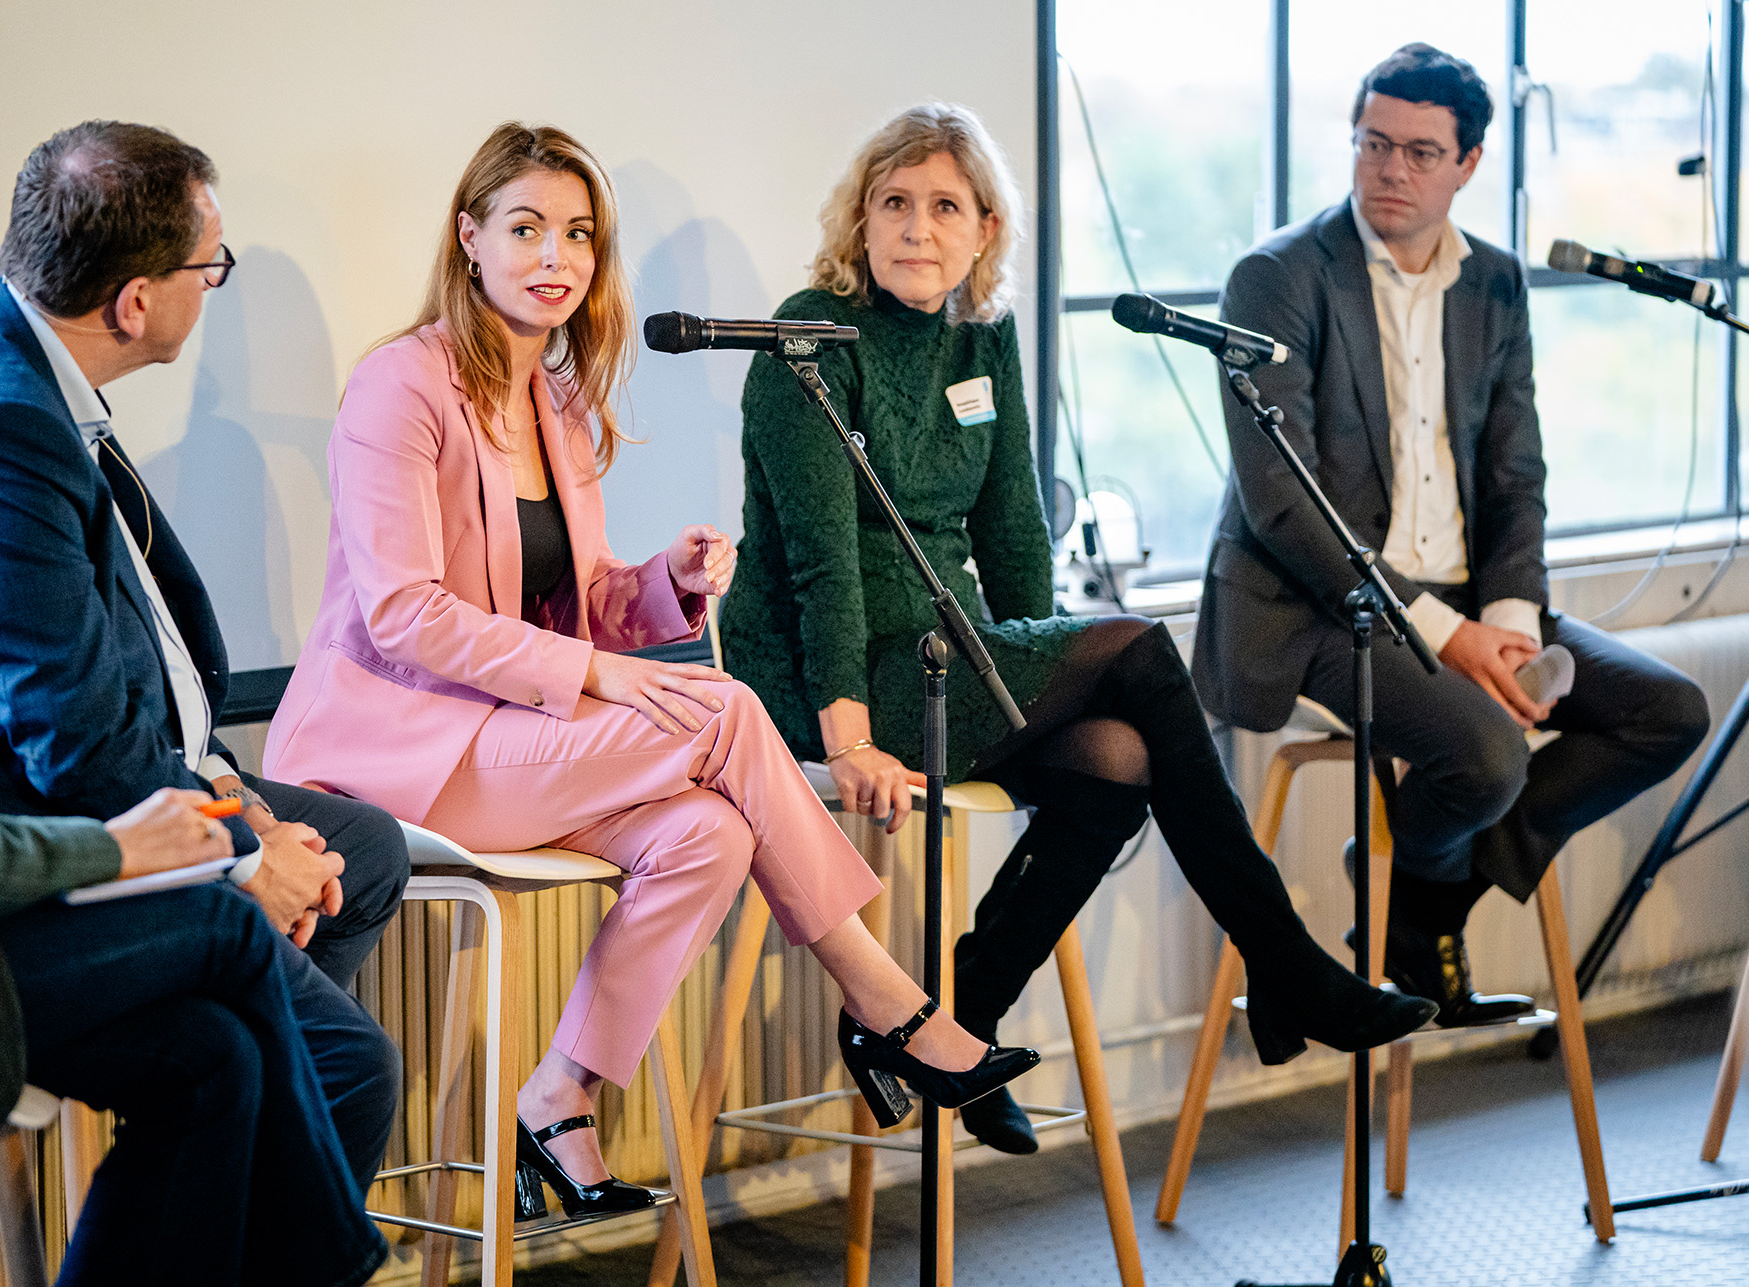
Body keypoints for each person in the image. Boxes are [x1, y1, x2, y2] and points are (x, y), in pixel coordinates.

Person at [264, 121, 1039, 1214]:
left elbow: (574, 614)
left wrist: (663, 588)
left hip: (512, 738)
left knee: (708, 834)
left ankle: (561, 1096)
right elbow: (405, 617)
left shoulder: (560, 402)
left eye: (578, 235)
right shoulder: (402, 385)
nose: (556, 257)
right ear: (469, 237)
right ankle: (889, 1005)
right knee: (721, 711)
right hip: (400, 750)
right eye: (527, 228)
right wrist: (604, 678)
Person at [723, 102, 1437, 1155]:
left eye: (945, 207)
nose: (919, 228)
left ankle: (955, 1020)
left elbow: (1013, 529)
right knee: (1141, 652)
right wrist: (847, 736)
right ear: (860, 222)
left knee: (1117, 755)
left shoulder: (983, 334)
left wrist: (1042, 680)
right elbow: (820, 566)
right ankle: (1288, 967)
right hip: (832, 675)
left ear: (984, 232)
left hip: (950, 648)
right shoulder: (808, 337)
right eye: (895, 204)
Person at [0, 108, 388, 1287]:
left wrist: (224, 808)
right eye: (213, 266)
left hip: (63, 825)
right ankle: (335, 1257)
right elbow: (32, 762)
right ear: (135, 301)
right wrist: (206, 852)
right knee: (306, 1029)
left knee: (230, 1048)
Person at [1195, 44, 1710, 1028]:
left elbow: (1516, 474)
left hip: (1472, 593)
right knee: (1485, 756)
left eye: (1421, 152)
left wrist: (1508, 620)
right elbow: (1285, 508)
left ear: (1468, 163)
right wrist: (1449, 634)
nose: (1392, 169)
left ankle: (1423, 898)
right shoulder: (1277, 277)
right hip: (1318, 605)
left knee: (1666, 712)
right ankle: (1420, 905)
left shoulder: (1498, 284)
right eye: (1374, 144)